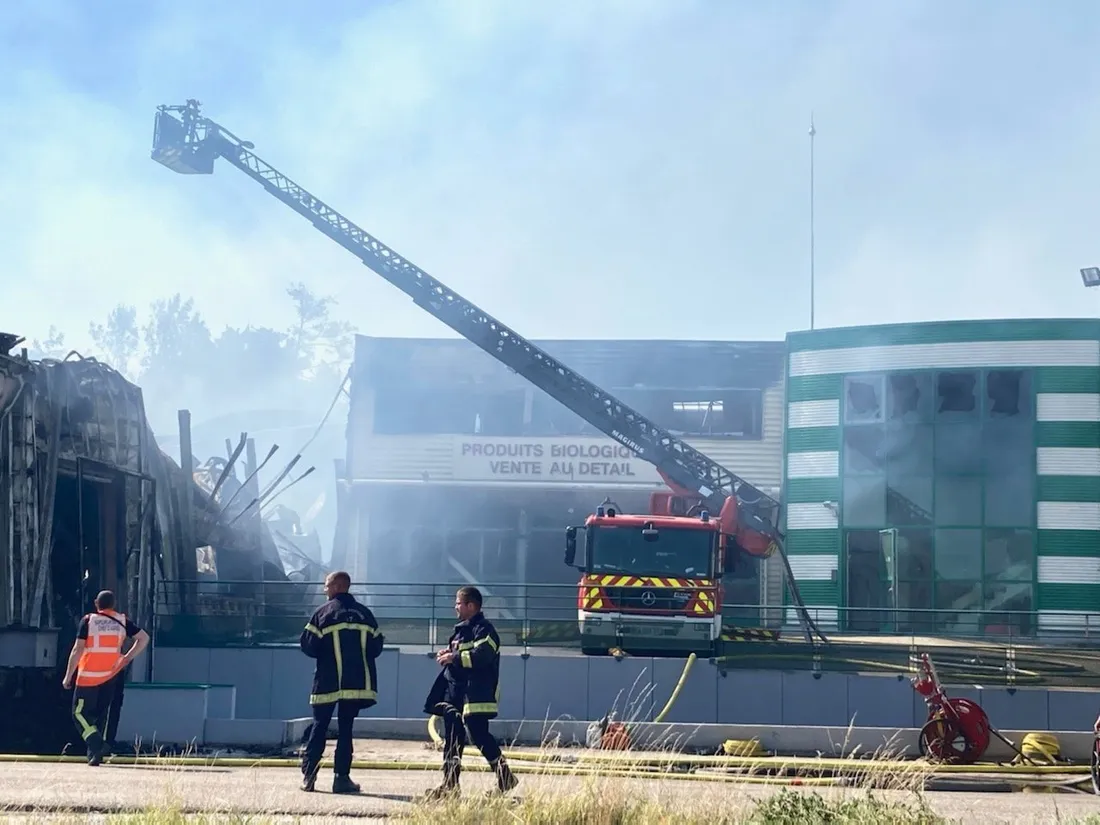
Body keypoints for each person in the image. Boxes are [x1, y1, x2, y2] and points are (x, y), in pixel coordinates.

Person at [422, 586, 518, 800]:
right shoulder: (460, 631)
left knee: (478, 735)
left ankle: (505, 777)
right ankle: (450, 786)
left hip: (476, 694)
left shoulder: (485, 630)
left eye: (458, 603)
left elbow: (482, 656)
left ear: (471, 605)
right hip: (456, 692)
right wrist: (448, 654)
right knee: (453, 738)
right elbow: (460, 655)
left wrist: (453, 658)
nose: (455, 607)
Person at [299, 570, 385, 794]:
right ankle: (341, 779)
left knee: (319, 727)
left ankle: (309, 778)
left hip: (327, 682)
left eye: (327, 585)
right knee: (346, 730)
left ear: (337, 586)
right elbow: (376, 648)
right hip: (356, 684)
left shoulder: (321, 613)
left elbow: (308, 645)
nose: (324, 589)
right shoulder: (366, 614)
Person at [61, 590, 149, 766]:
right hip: (111, 675)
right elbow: (144, 638)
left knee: (79, 714)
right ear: (113, 604)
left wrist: (68, 675)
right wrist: (127, 658)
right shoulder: (122, 622)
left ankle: (96, 743)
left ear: (96, 603)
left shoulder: (88, 621)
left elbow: (78, 650)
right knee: (101, 716)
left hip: (88, 676)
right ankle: (95, 755)